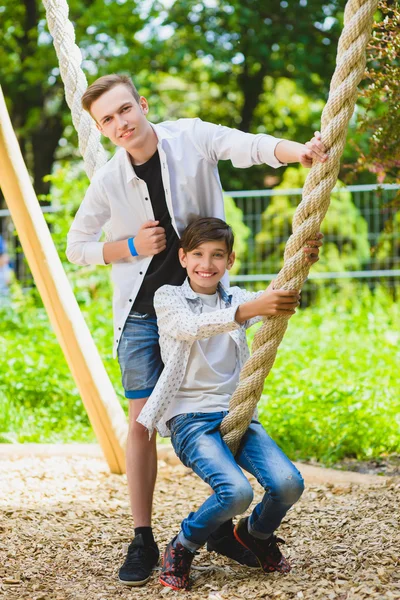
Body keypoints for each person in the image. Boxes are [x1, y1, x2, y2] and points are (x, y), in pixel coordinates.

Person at [66, 73, 328, 587]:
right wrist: (130, 248)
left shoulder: (190, 137)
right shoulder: (109, 181)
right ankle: (143, 537)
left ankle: (226, 520)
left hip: (203, 299)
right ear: (100, 129)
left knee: (214, 397)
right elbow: (77, 246)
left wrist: (302, 152)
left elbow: (245, 145)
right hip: (145, 312)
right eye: (107, 119)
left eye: (125, 110)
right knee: (140, 423)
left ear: (141, 104)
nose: (120, 123)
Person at [137, 217, 323, 590]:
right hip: (189, 418)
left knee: (288, 484)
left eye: (217, 255)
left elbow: (272, 296)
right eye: (199, 255)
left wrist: (303, 260)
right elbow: (190, 327)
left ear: (230, 259)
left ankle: (254, 535)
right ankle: (183, 544)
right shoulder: (168, 297)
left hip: (235, 413)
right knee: (236, 492)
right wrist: (247, 312)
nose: (208, 264)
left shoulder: (237, 297)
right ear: (184, 258)